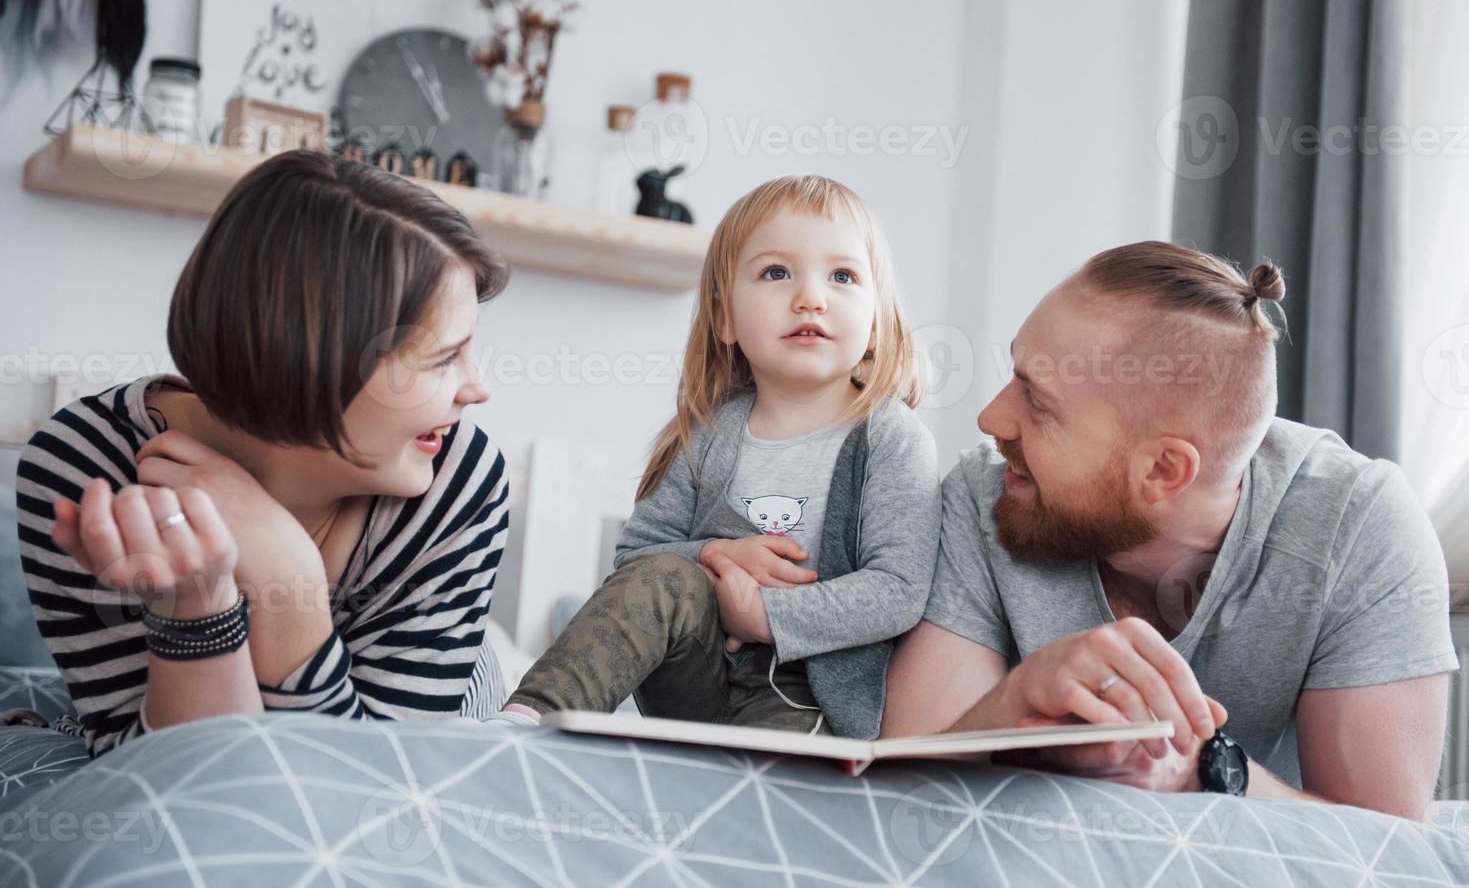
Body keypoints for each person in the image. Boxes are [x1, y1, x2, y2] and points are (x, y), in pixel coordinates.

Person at [884, 241, 1457, 820]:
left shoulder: (1355, 527)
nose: (990, 419)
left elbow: (1386, 848)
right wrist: (1010, 707)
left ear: (1163, 470)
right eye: (1017, 374)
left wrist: (1194, 770)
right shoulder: (991, 492)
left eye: (1038, 401)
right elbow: (891, 804)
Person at [16, 150, 512, 755]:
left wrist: (287, 578)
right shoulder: (87, 470)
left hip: (456, 712)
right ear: (313, 363)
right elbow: (168, 780)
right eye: (442, 359)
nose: (478, 387)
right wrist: (197, 608)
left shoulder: (458, 477)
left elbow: (379, 787)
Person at [500, 175, 940, 739]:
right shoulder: (709, 434)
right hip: (696, 678)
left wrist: (764, 617)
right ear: (726, 318)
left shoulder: (891, 438)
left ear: (876, 319)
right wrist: (714, 554)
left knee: (754, 787)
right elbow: (639, 558)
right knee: (662, 578)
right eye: (776, 272)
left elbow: (899, 589)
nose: (811, 296)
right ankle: (527, 721)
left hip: (808, 695)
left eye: (843, 276)